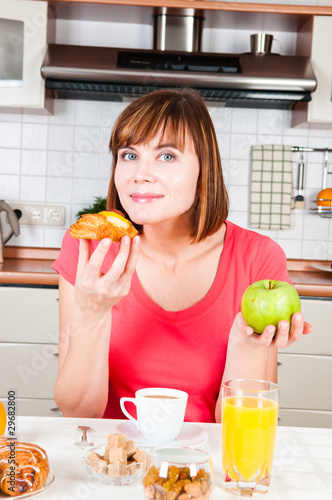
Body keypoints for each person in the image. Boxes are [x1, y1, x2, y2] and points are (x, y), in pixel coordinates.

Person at [52, 88, 311, 423]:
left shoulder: (257, 258)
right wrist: (92, 313)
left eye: (167, 156)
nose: (139, 174)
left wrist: (249, 344)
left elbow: (240, 427)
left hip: (204, 465)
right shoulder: (87, 250)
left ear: (204, 172)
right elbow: (78, 413)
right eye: (129, 155)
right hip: (112, 464)